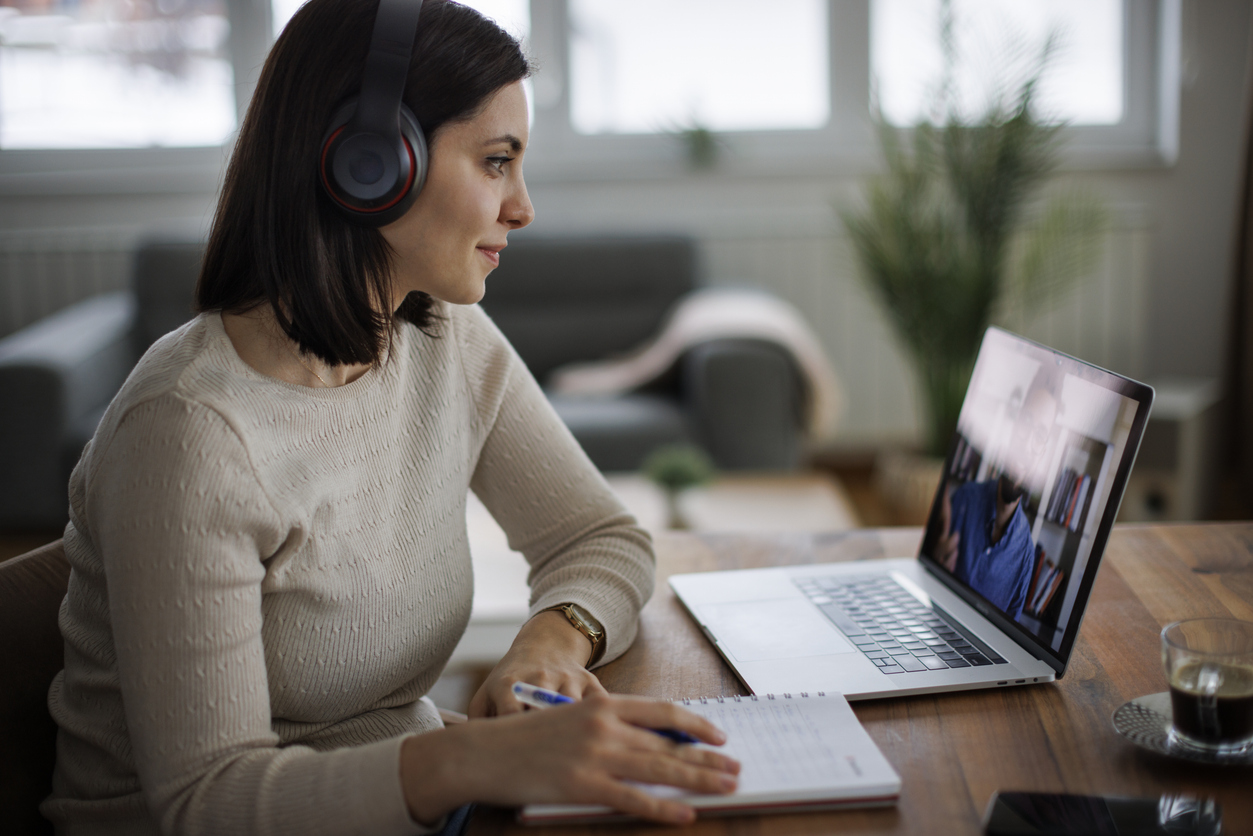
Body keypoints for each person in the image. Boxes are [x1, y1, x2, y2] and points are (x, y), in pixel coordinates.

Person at [40, 1, 739, 833]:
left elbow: (600, 539)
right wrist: (467, 759)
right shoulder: (190, 432)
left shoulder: (439, 332)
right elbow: (207, 802)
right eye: (494, 162)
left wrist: (546, 649)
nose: (521, 207)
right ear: (371, 165)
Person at [935, 377, 1059, 620]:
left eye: (1040, 435)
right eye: (1026, 423)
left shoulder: (1025, 556)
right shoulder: (963, 500)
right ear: (1012, 429)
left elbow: (1009, 634)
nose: (1026, 445)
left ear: (1042, 454)